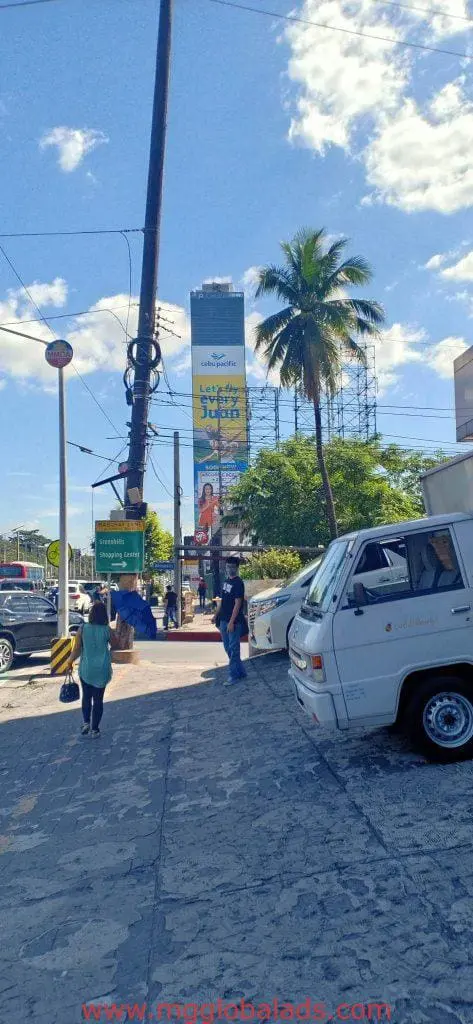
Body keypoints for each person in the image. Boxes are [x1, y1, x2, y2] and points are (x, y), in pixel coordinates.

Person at [67, 601, 120, 737]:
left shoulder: (83, 629)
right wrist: (114, 634)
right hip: (102, 669)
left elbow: (77, 650)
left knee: (86, 696)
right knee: (98, 700)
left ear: (91, 615)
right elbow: (115, 645)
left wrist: (69, 661)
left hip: (86, 668)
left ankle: (86, 723)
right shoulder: (107, 630)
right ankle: (95, 729)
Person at [216, 557, 247, 686]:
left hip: (234, 622)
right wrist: (215, 615)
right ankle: (241, 672)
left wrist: (231, 622)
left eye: (233, 567)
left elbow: (238, 603)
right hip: (223, 620)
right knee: (228, 648)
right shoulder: (226, 581)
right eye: (228, 566)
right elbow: (222, 601)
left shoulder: (238, 583)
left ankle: (233, 676)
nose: (230, 569)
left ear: (237, 568)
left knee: (234, 649)